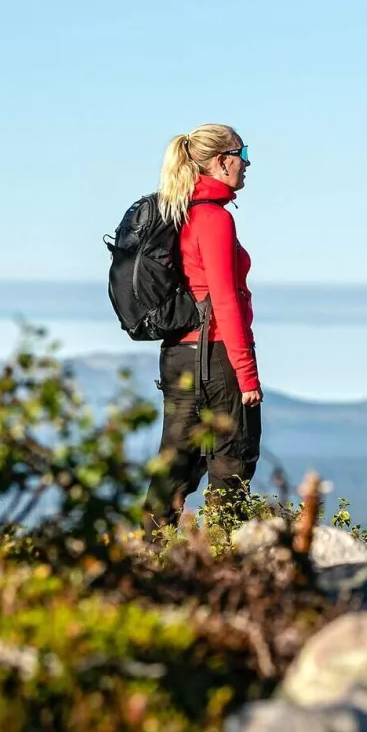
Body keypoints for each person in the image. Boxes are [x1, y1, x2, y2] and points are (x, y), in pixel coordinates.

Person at [144, 124, 260, 527]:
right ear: (221, 161)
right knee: (232, 463)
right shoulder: (213, 219)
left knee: (174, 464)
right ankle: (220, 563)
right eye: (242, 154)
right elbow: (225, 299)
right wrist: (246, 375)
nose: (246, 164)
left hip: (178, 354)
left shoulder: (179, 211)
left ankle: (147, 555)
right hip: (214, 355)